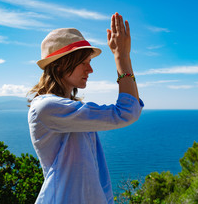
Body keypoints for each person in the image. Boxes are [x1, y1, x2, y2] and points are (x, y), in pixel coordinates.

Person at [28, 12, 144, 203]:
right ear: (59, 65)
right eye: (83, 62)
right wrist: (122, 56)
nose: (90, 69)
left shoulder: (71, 111)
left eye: (89, 62)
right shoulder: (46, 107)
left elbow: (97, 171)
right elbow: (126, 112)